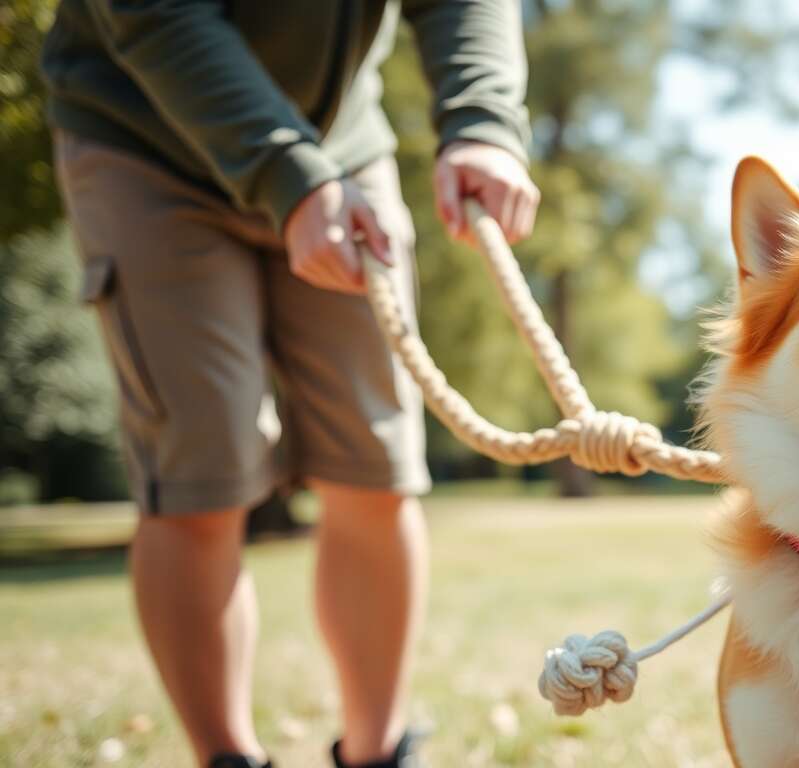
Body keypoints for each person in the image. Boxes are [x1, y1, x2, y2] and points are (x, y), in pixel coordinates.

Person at [42, 2, 539, 766]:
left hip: (341, 143)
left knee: (375, 468)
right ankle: (228, 757)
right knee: (203, 474)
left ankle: (378, 752)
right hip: (147, 140)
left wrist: (482, 121)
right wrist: (287, 176)